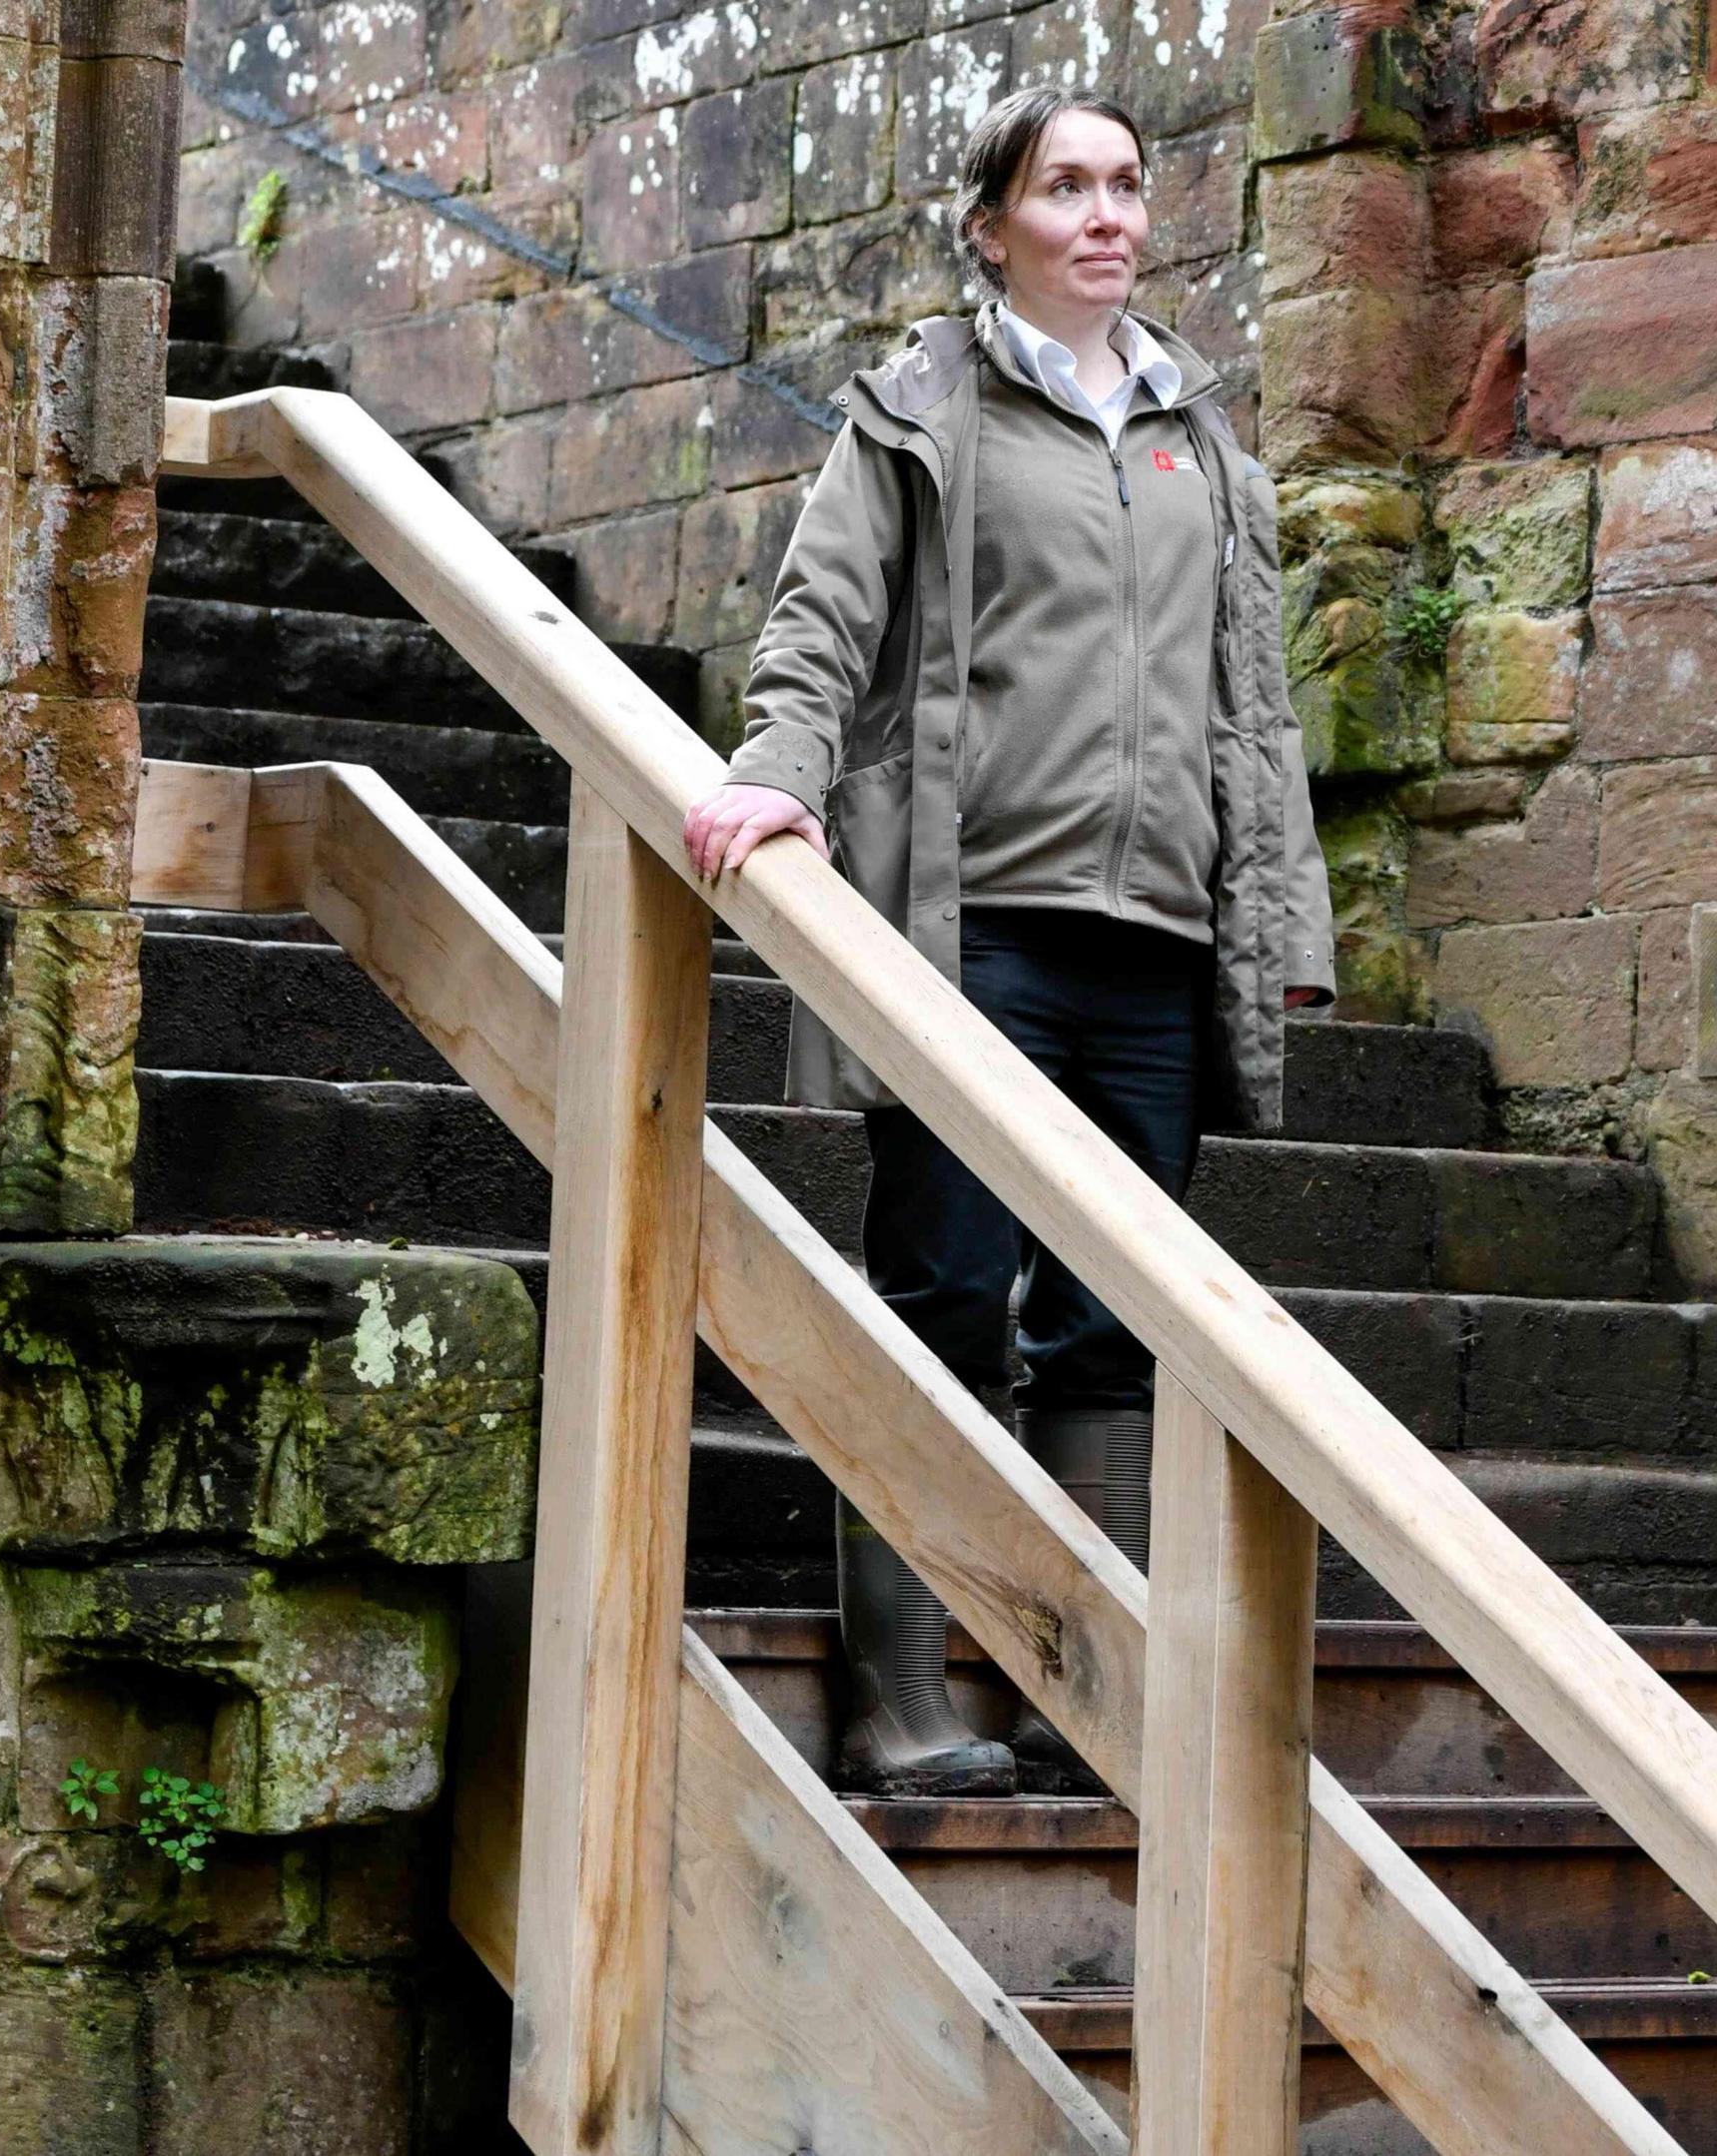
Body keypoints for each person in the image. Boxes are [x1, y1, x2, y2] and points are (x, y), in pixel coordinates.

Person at [681, 85, 1334, 1795]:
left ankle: (1076, 1687)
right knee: (947, 1293)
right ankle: (904, 1695)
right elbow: (821, 628)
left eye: (1128, 185)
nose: (1108, 215)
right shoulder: (918, 415)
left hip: (1158, 949)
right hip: (975, 936)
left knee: (1112, 1331)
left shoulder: (1207, 442)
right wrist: (775, 785)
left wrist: (1282, 924)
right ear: (997, 226)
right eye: (1067, 188)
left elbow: (1250, 711)